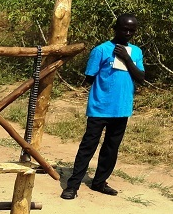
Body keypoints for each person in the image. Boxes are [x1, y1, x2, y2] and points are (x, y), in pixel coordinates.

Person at [61, 13, 145, 200]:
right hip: (100, 107)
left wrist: (127, 59)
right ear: (116, 28)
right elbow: (89, 77)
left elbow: (140, 78)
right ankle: (72, 186)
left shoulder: (136, 52)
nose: (128, 33)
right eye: (124, 29)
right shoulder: (101, 50)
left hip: (122, 108)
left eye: (132, 30)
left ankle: (99, 182)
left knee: (111, 148)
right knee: (88, 146)